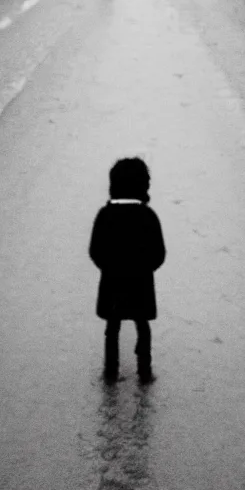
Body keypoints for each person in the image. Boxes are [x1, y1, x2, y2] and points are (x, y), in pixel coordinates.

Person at [89, 157, 166, 383]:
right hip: (140, 282)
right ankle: (144, 368)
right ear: (143, 186)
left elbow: (95, 250)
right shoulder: (148, 216)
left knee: (112, 326)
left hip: (112, 280)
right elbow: (159, 253)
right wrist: (145, 267)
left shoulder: (105, 215)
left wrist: (108, 267)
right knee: (142, 324)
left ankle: (111, 369)